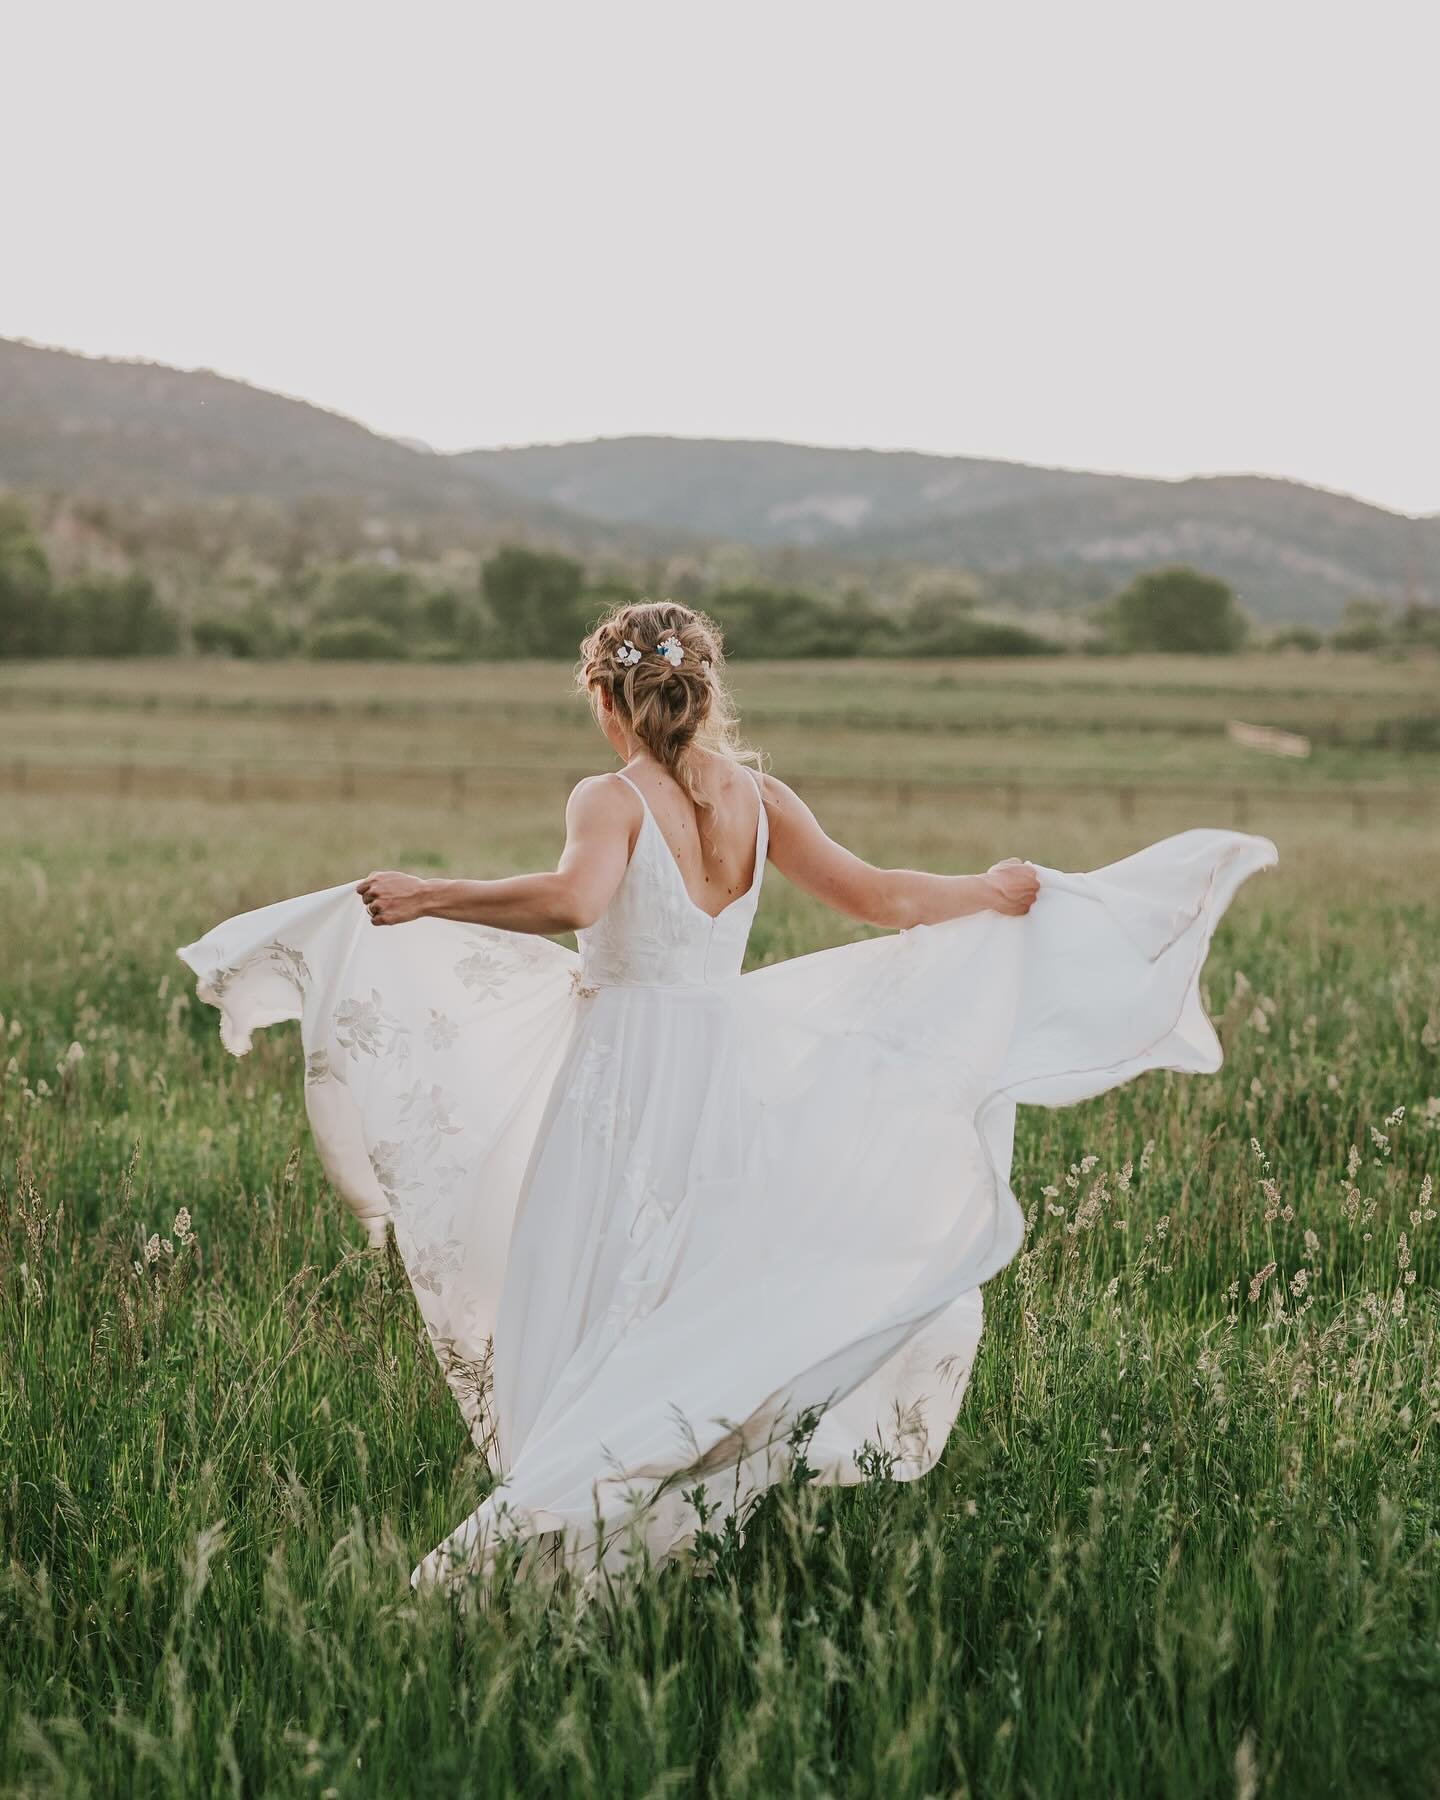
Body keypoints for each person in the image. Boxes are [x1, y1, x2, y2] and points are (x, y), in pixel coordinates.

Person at [179, 600, 1276, 1596]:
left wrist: (431, 895)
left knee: (591, 1286)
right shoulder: (760, 797)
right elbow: (882, 896)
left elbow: (576, 899)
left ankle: (563, 1521)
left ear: (607, 700)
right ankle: (653, 1499)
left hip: (623, 1072)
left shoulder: (608, 796)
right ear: (705, 689)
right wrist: (985, 893)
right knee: (684, 1287)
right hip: (722, 1065)